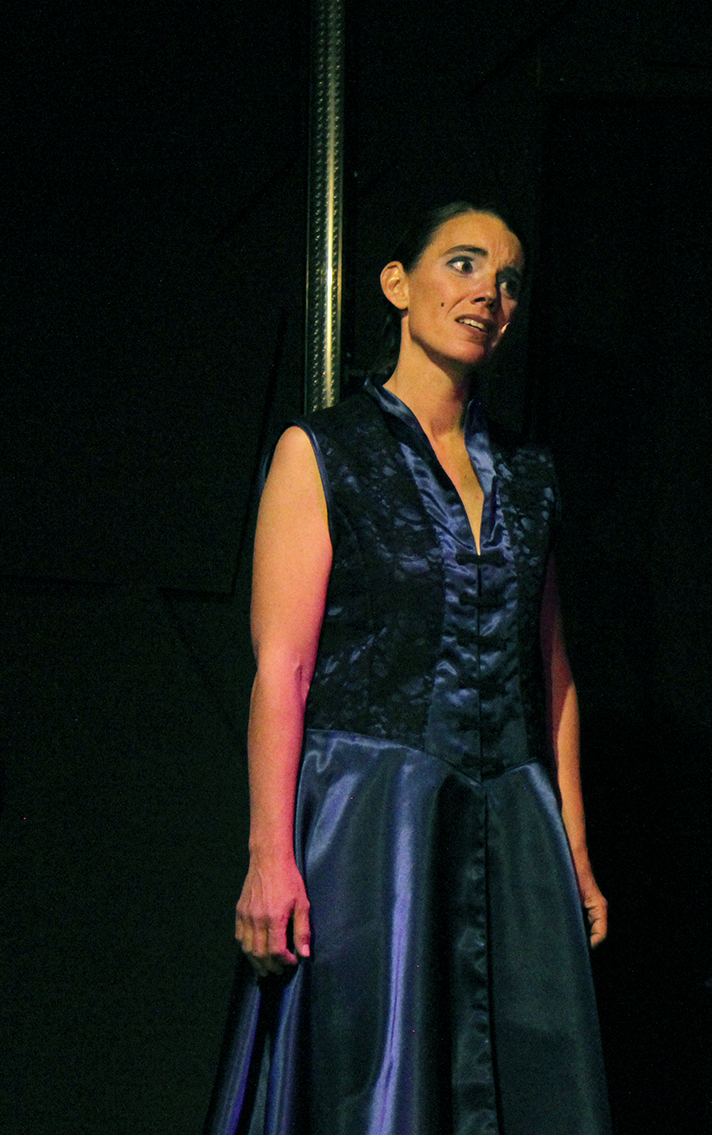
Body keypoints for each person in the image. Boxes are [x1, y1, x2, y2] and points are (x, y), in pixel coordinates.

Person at [207, 204, 612, 1134]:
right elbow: (282, 668)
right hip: (373, 830)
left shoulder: (530, 475)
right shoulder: (325, 451)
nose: (488, 293)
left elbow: (551, 672)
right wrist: (269, 856)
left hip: (513, 827)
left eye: (507, 280)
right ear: (397, 283)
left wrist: (577, 852)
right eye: (463, 264)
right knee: (375, 1082)